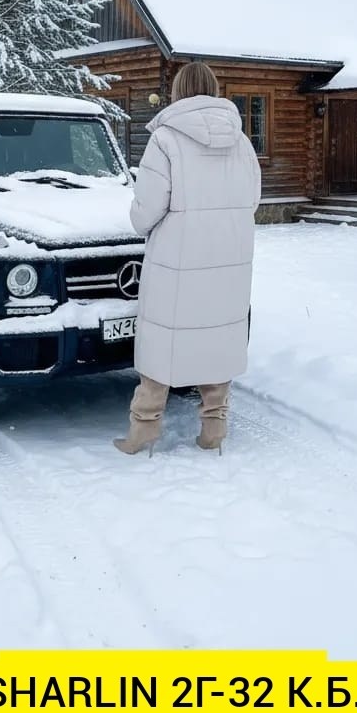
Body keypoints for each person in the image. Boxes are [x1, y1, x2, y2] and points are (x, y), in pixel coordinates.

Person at [114, 62, 262, 455]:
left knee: (164, 343)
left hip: (176, 259)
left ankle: (143, 432)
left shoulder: (165, 139)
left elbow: (146, 211)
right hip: (228, 255)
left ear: (178, 91)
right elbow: (252, 201)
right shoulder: (242, 143)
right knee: (217, 338)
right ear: (213, 90)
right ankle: (213, 430)